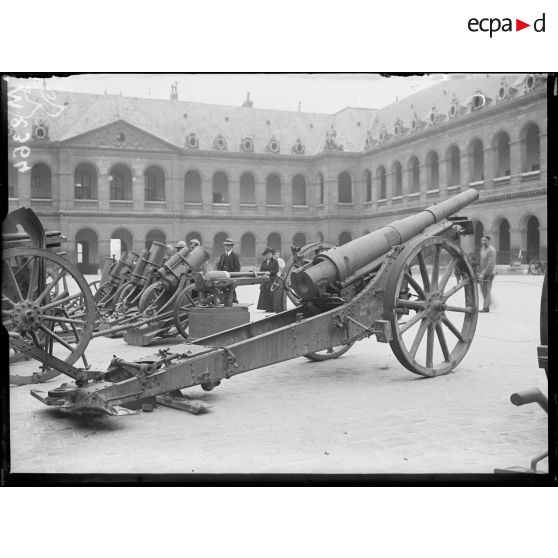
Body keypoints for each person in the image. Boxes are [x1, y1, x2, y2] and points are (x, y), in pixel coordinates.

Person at [217, 238, 241, 302]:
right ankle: (223, 299)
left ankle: (234, 299)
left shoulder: (235, 255)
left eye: (229, 245)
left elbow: (238, 267)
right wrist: (218, 274)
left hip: (231, 275)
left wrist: (234, 275)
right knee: (222, 287)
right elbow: (219, 266)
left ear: (232, 247)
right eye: (226, 245)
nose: (227, 247)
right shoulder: (222, 255)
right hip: (223, 275)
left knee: (231, 288)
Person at [257, 247, 279, 312]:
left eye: (270, 253)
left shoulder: (275, 261)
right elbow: (261, 269)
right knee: (265, 293)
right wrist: (263, 273)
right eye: (267, 254)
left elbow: (276, 270)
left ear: (272, 255)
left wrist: (270, 272)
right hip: (265, 279)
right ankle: (266, 308)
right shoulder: (263, 262)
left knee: (272, 294)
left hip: (273, 279)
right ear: (265, 255)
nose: (268, 255)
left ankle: (272, 308)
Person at [478, 235, 496, 312]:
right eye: (483, 240)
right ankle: (489, 303)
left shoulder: (491, 250)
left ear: (489, 241)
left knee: (487, 290)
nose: (484, 242)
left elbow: (490, 263)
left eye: (485, 240)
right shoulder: (482, 249)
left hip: (489, 274)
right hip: (483, 273)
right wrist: (480, 272)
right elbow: (481, 262)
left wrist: (483, 273)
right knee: (483, 290)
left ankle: (486, 308)